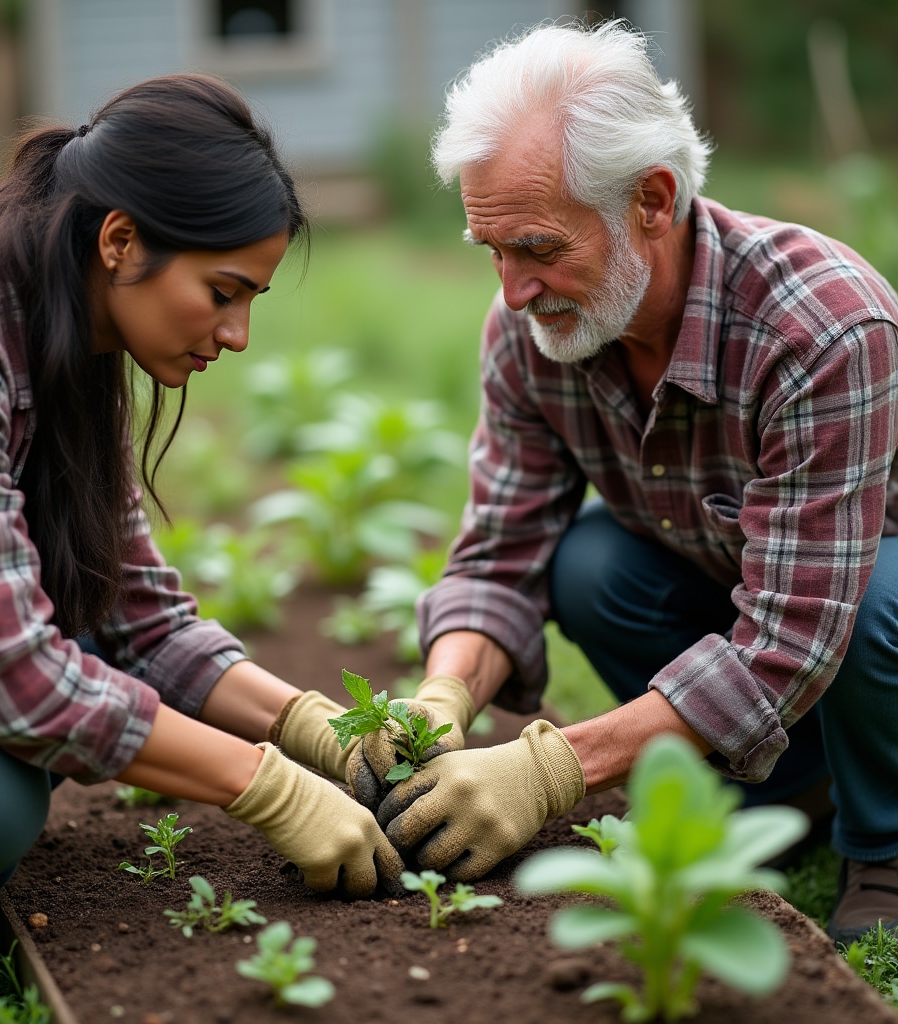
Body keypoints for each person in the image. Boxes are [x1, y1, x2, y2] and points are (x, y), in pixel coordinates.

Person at [339, 20, 898, 947]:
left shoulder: (823, 329)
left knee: (878, 600)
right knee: (593, 562)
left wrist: (555, 769)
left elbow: (797, 630)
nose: (513, 290)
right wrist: (441, 699)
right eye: (492, 250)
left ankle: (883, 845)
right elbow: (501, 545)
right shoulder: (537, 326)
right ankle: (788, 784)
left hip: (852, 597)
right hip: (732, 579)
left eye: (537, 247)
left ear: (652, 198)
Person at [0, 73, 405, 970]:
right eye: (224, 290)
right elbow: (9, 678)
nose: (237, 335)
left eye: (252, 303)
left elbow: (141, 621)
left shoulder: (70, 337)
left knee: (29, 750)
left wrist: (312, 726)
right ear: (120, 241)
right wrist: (264, 786)